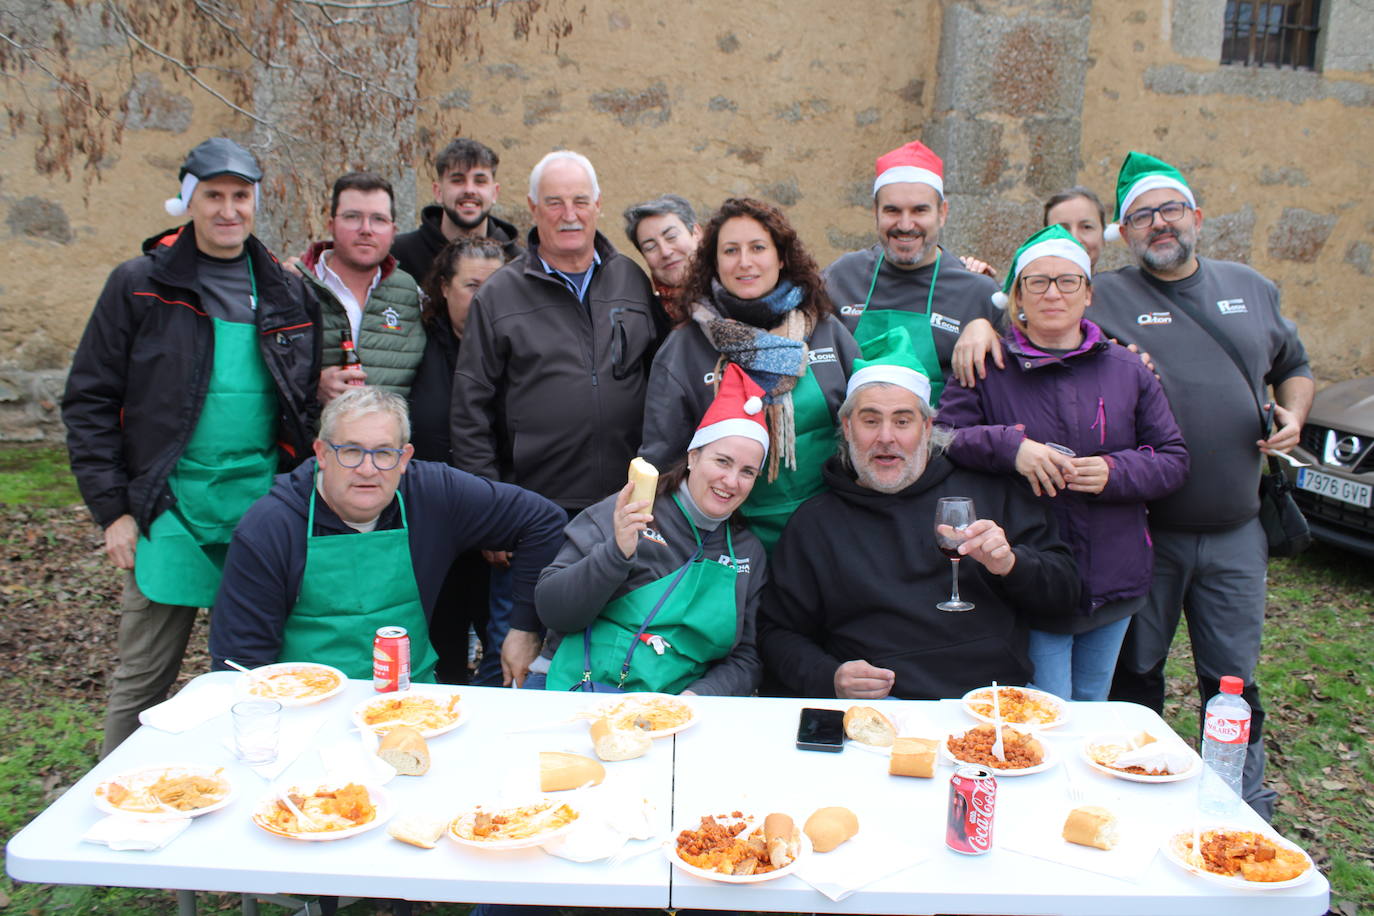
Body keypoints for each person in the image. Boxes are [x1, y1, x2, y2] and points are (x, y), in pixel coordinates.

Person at [62, 137, 320, 757]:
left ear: (255, 203)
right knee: (144, 679)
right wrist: (114, 511)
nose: (228, 210)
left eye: (240, 196)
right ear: (188, 201)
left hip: (259, 507)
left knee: (257, 677)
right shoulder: (140, 286)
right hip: (167, 508)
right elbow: (89, 400)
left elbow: (303, 401)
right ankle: (118, 792)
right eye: (213, 196)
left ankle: (247, 782)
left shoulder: (288, 292)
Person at [1088, 152, 1313, 820]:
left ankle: (1240, 803)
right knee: (1136, 673)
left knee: (1232, 681)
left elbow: (1294, 365)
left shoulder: (1251, 287)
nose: (1160, 224)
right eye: (1142, 216)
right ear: (1124, 234)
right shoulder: (1102, 294)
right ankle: (1131, 794)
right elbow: (1026, 310)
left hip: (1236, 531)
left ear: (1197, 216)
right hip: (1144, 531)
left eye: (1171, 210)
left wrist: (1295, 415)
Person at [936, 225, 1189, 701]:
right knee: (1044, 707)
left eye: (1068, 281)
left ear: (1088, 293)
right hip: (1027, 571)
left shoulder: (1128, 369)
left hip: (1113, 575)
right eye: (1037, 281)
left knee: (1092, 704)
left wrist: (1116, 472)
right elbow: (945, 437)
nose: (1053, 293)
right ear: (1017, 297)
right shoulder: (988, 364)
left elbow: (1173, 459)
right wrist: (1012, 448)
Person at [758, 337, 1080, 699]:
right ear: (847, 427)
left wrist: (1012, 565)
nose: (886, 437)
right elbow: (777, 633)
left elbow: (1066, 594)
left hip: (994, 701)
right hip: (880, 708)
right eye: (870, 421)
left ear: (927, 427)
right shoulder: (815, 524)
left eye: (902, 421)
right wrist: (829, 676)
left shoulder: (991, 492)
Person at [451, 149, 668, 686]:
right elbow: (471, 408)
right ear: (532, 208)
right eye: (554, 203)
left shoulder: (630, 281)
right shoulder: (500, 295)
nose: (569, 215)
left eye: (579, 201)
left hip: (622, 505)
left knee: (614, 652)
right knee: (519, 656)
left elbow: (661, 379)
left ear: (598, 205)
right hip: (535, 512)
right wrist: (490, 508)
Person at [208, 387, 566, 680]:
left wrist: (524, 627)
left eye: (383, 453)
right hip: (304, 707)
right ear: (321, 454)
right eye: (350, 452)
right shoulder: (270, 526)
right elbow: (239, 663)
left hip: (413, 702)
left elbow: (542, 520)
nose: (367, 469)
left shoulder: (433, 494)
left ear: (405, 458)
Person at [531, 364, 768, 694]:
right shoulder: (629, 510)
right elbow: (554, 612)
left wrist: (699, 697)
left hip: (672, 709)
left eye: (747, 472)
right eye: (722, 461)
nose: (730, 481)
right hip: (573, 688)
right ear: (693, 457)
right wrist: (615, 554)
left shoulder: (747, 551)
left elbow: (744, 659)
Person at [639, 197, 859, 553]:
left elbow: (862, 430)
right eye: (730, 250)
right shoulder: (684, 348)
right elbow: (662, 461)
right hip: (727, 545)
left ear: (781, 257)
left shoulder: (826, 330)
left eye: (758, 247)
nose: (745, 262)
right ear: (714, 261)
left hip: (829, 535)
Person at [823, 139, 1002, 404]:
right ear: (875, 212)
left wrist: (989, 329)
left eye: (919, 210)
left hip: (944, 431)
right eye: (892, 210)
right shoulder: (841, 277)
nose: (905, 225)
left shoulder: (978, 292)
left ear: (942, 213)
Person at [407, 236, 509, 684]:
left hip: (497, 522)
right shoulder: (417, 346)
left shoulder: (517, 349)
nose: (484, 298)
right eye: (472, 286)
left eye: (495, 287)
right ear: (444, 288)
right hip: (430, 522)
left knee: (501, 643)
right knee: (439, 644)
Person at [299, 172, 424, 403]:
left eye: (379, 219)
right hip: (314, 427)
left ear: (393, 232)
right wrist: (310, 385)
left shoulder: (409, 293)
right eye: (352, 217)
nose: (366, 229)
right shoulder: (294, 287)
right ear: (331, 225)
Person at [391, 137, 522, 279]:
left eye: (480, 181)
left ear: (495, 193)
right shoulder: (398, 256)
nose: (469, 190)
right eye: (458, 180)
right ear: (438, 191)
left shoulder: (519, 263)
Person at [623, 193, 702, 323]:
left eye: (671, 237)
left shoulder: (733, 290)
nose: (665, 252)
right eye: (650, 247)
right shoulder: (645, 320)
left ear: (696, 233)